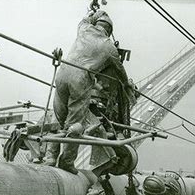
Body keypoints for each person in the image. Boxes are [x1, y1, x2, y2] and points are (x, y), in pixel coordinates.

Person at [45, 10, 132, 174]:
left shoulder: (83, 29)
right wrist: (126, 85)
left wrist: (96, 12)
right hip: (80, 78)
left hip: (62, 73)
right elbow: (119, 69)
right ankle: (67, 162)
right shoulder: (108, 45)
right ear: (108, 30)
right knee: (75, 123)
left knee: (57, 117)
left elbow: (85, 19)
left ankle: (50, 158)